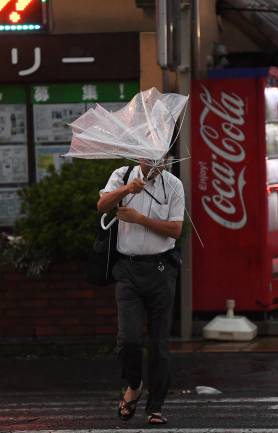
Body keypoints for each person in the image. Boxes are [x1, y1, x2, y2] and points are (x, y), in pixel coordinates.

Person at [97, 159, 184, 425]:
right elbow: (101, 205)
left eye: (162, 157)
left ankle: (155, 407)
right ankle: (134, 385)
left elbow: (176, 230)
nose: (158, 163)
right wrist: (125, 191)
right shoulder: (122, 176)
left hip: (161, 269)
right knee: (129, 339)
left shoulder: (173, 185)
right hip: (128, 269)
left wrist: (140, 219)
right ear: (140, 156)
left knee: (159, 343)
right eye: (151, 156)